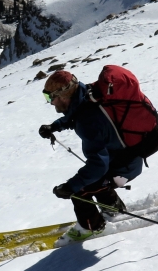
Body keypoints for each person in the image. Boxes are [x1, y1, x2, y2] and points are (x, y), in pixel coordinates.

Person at [39, 69, 145, 242]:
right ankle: (113, 209)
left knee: (81, 188)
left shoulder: (87, 121)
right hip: (127, 155)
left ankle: (90, 228)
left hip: (124, 166)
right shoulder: (86, 94)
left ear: (63, 95)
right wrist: (54, 126)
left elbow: (98, 166)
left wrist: (70, 187)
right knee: (94, 179)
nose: (50, 103)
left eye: (51, 97)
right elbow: (74, 113)